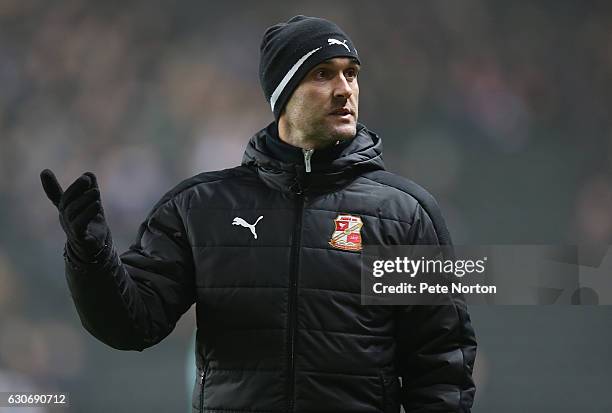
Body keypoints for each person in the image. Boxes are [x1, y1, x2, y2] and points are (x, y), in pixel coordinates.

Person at [41, 15, 476, 413]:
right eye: (323, 74)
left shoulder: (405, 213)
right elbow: (131, 326)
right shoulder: (200, 207)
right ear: (283, 94)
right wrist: (91, 254)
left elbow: (440, 365)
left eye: (351, 74)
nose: (345, 88)